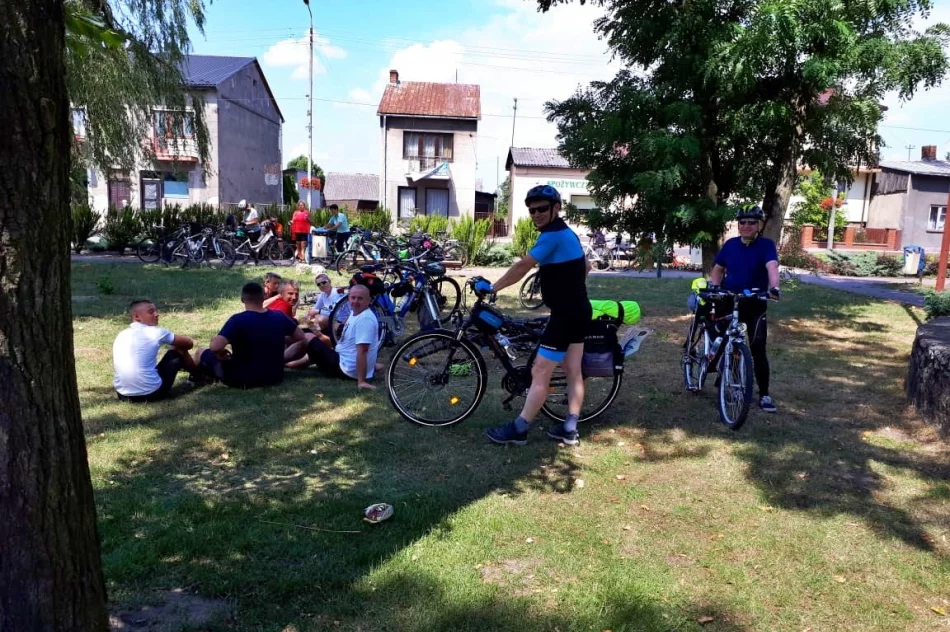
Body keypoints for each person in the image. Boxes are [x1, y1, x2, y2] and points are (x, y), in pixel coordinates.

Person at [482, 185, 592, 446]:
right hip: (579, 310)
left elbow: (523, 266)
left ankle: (519, 429)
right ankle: (569, 428)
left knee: (540, 371)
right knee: (573, 370)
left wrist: (493, 288)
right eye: (532, 211)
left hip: (565, 316)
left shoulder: (552, 235)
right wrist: (569, 287)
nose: (536, 214)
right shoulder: (568, 233)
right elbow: (587, 266)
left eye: (542, 209)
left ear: (556, 208)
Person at [707, 203, 781, 413]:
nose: (746, 226)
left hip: (754, 303)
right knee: (725, 342)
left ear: (759, 225)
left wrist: (774, 288)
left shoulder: (766, 245)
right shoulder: (730, 245)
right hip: (729, 301)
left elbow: (772, 266)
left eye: (751, 222)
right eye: (742, 222)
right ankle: (728, 382)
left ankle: (764, 394)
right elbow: (718, 269)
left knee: (758, 349)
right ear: (738, 225)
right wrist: (715, 287)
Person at [196, 282, 305, 389]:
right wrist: (276, 338)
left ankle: (195, 378)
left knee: (200, 352)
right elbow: (300, 336)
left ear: (242, 299)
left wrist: (220, 352)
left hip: (242, 378)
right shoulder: (279, 316)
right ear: (264, 297)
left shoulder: (237, 320)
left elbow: (215, 346)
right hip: (274, 377)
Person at [113, 299, 199, 402]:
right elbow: (188, 343)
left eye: (156, 311)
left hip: (123, 395)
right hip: (151, 394)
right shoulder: (156, 332)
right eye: (151, 312)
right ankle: (198, 377)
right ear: (136, 316)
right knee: (178, 348)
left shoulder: (122, 334)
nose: (157, 314)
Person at [304, 284, 381, 389]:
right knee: (305, 347)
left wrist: (361, 381)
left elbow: (363, 351)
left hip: (345, 368)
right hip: (343, 358)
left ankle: (282, 360)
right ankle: (285, 361)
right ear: (348, 299)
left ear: (368, 301)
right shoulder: (356, 312)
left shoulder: (365, 320)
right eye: (353, 298)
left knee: (307, 336)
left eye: (360, 298)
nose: (355, 301)